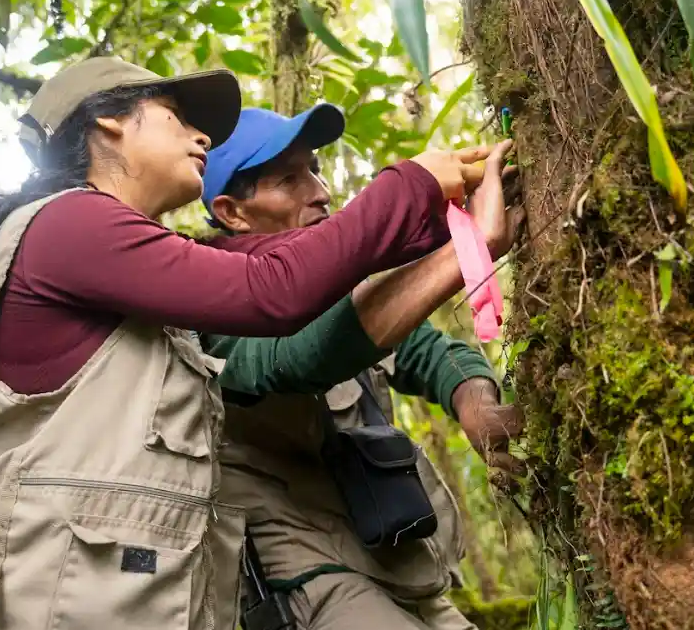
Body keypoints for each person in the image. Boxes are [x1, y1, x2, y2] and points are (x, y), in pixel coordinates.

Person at [0, 58, 499, 630]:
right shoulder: (67, 223)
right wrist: (414, 183)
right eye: (176, 116)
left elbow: (291, 264)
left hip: (95, 593)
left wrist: (455, 230)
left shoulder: (136, 262)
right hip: (28, 599)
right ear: (109, 123)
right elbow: (272, 289)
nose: (200, 137)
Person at [199, 104, 526, 630]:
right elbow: (296, 358)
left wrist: (475, 402)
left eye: (315, 169)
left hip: (397, 558)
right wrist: (465, 251)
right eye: (289, 179)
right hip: (306, 573)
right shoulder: (210, 289)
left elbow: (426, 350)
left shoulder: (340, 284)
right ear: (232, 212)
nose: (321, 192)